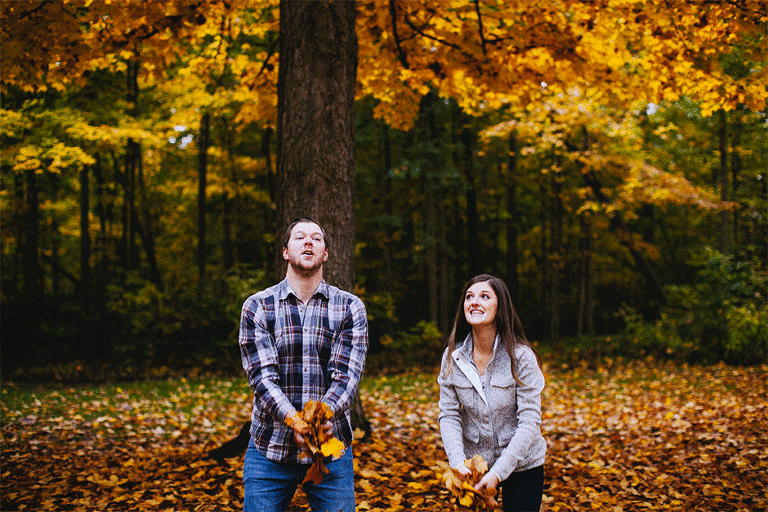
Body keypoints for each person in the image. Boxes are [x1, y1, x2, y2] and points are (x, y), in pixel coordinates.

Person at [239, 217, 368, 512]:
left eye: (316, 238)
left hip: (330, 451)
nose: (308, 242)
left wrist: (317, 422)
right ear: (285, 251)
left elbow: (347, 377)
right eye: (299, 237)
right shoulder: (257, 306)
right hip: (270, 448)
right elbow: (262, 378)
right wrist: (296, 422)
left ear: (325, 253)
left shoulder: (350, 307)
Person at [438, 274, 546, 512]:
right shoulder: (452, 357)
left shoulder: (522, 357)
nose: (474, 302)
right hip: (474, 468)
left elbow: (529, 422)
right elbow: (449, 415)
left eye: (484, 296)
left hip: (523, 463)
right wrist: (458, 463)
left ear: (500, 308)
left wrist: (498, 472)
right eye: (469, 297)